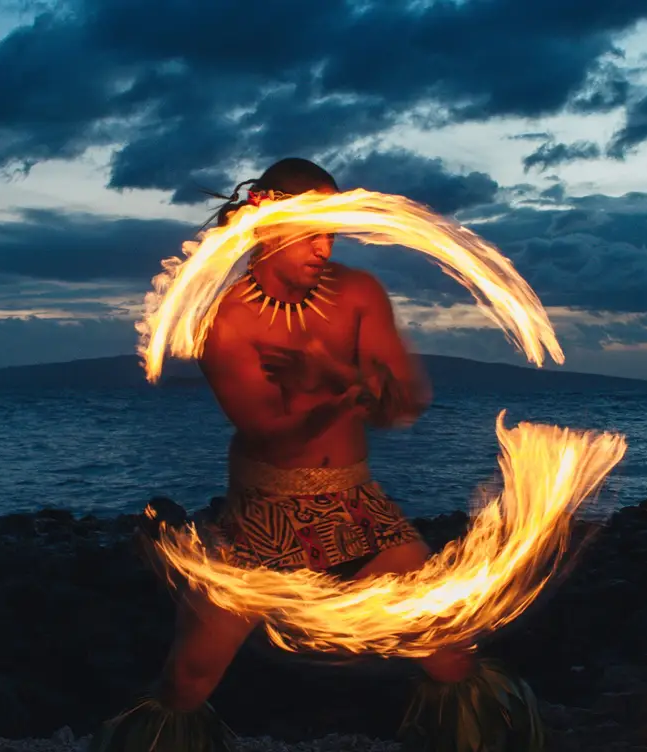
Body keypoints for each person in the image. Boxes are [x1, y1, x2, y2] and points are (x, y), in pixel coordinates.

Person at [91, 158, 543, 752]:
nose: (325, 247)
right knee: (188, 680)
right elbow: (271, 430)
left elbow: (402, 402)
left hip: (357, 508)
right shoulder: (224, 321)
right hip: (263, 517)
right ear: (267, 219)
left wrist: (338, 379)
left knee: (451, 654)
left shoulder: (357, 294)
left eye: (332, 231)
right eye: (312, 231)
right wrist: (342, 388)